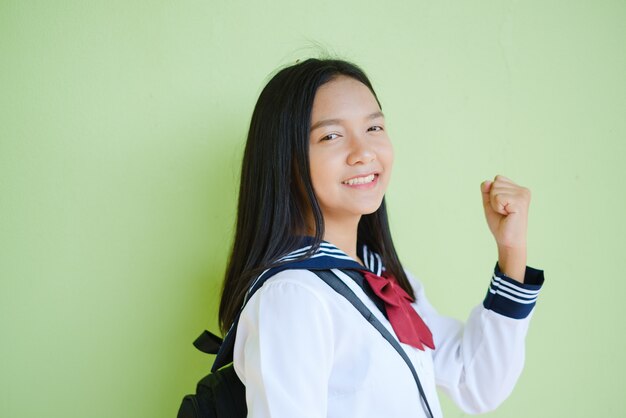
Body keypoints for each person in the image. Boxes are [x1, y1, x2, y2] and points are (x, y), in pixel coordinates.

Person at [217, 58, 544, 418]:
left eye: (374, 128)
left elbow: (477, 382)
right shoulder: (294, 297)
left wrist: (511, 251)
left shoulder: (380, 278)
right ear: (285, 159)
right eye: (331, 135)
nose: (364, 152)